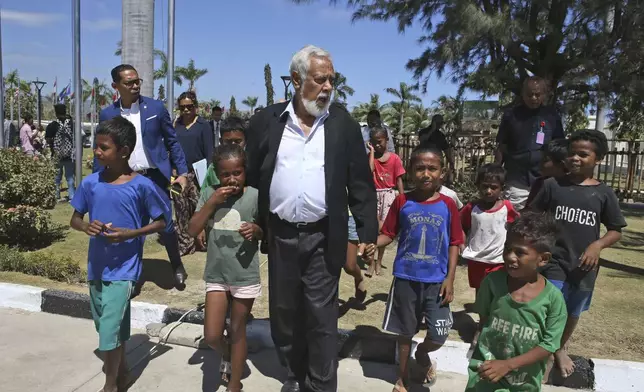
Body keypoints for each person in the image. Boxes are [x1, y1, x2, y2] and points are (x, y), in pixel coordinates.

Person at [245, 45, 378, 392]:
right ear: (296, 80)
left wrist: (367, 231)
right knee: (285, 314)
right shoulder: (266, 122)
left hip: (323, 236)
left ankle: (320, 384)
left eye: (331, 80)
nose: (328, 87)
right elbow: (250, 175)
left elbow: (360, 181)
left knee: (321, 317)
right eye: (320, 80)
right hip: (280, 235)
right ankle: (293, 374)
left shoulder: (343, 125)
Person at [70, 117, 170, 392]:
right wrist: (87, 225)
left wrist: (131, 233)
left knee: (109, 331)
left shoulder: (141, 186)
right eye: (96, 146)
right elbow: (75, 219)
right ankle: (122, 369)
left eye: (103, 147)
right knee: (110, 325)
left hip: (125, 269)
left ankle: (111, 384)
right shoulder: (90, 184)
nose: (97, 152)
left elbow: (162, 221)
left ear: (124, 151)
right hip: (97, 268)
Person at [530, 130, 626, 379]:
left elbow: (616, 231)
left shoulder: (604, 193)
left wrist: (598, 245)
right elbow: (532, 215)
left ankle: (560, 347)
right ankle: (542, 351)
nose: (575, 158)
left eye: (583, 154)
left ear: (599, 159)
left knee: (573, 311)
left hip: (584, 266)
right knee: (549, 307)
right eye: (572, 153)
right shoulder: (552, 186)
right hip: (553, 261)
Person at [377, 146, 463, 392]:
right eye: (420, 168)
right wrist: (373, 244)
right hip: (406, 278)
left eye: (432, 168)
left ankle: (424, 355)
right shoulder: (402, 201)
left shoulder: (447, 205)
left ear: (442, 173)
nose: (426, 174)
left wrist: (450, 278)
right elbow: (388, 234)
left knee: (439, 333)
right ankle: (402, 379)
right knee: (405, 333)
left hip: (437, 282)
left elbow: (455, 243)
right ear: (411, 172)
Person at [98, 64, 189, 289]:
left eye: (137, 81)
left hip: (156, 178)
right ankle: (134, 274)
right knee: (132, 228)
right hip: (126, 180)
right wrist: (98, 183)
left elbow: (172, 141)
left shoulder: (156, 108)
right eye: (129, 82)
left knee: (165, 224)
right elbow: (101, 149)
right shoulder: (108, 114)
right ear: (116, 86)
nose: (136, 85)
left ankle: (176, 264)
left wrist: (183, 173)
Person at [465, 210, 567, 391]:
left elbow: (549, 345)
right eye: (507, 249)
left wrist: (508, 365)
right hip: (485, 376)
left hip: (523, 384)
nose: (510, 256)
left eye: (520, 253)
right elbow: (484, 319)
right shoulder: (492, 282)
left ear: (543, 259)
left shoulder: (553, 299)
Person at [188, 144, 261, 392]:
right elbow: (191, 229)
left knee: (237, 328)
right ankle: (227, 352)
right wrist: (212, 202)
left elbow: (266, 231)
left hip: (244, 275)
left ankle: (234, 384)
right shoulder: (209, 192)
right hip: (217, 274)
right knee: (211, 335)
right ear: (217, 174)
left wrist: (256, 230)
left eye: (237, 173)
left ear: (245, 172)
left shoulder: (254, 195)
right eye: (226, 174)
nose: (232, 179)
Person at [495, 76, 565, 210]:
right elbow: (502, 145)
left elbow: (559, 146)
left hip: (544, 177)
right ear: (523, 94)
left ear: (544, 95)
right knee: (514, 218)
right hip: (517, 178)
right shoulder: (511, 115)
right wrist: (497, 169)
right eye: (530, 94)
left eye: (537, 95)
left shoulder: (552, 116)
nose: (533, 98)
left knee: (541, 219)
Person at [461, 164, 519, 292]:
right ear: (478, 186)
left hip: (498, 260)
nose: (488, 191)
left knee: (498, 290)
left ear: (501, 189)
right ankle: (482, 312)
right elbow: (461, 225)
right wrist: (462, 243)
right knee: (480, 291)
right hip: (476, 258)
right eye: (485, 186)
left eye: (493, 187)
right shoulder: (472, 208)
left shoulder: (507, 207)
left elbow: (517, 225)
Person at [173, 91, 214, 255]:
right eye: (182, 107)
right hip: (178, 175)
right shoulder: (175, 126)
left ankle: (201, 240)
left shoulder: (204, 126)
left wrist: (209, 175)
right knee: (180, 209)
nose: (186, 111)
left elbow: (210, 152)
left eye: (189, 107)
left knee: (198, 208)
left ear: (195, 107)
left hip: (198, 174)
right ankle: (185, 244)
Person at [367, 126, 405, 277]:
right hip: (373, 195)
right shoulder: (371, 158)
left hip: (388, 195)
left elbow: (399, 179)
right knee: (372, 228)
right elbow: (369, 172)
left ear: (387, 140)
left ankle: (378, 261)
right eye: (373, 143)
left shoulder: (394, 159)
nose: (377, 145)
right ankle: (370, 262)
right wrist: (371, 153)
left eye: (380, 142)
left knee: (384, 230)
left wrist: (402, 199)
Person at [203, 116, 247, 189]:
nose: (233, 145)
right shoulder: (213, 168)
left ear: (245, 141)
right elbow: (205, 194)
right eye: (228, 142)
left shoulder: (252, 166)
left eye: (238, 142)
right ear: (221, 141)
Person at [524, 139, 568, 209]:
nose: (540, 163)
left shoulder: (570, 188)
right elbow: (529, 210)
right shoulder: (539, 183)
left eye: (545, 160)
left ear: (561, 164)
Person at [48, 104, 76, 202]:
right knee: (70, 177)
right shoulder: (72, 124)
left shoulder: (52, 125)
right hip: (70, 155)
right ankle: (72, 195)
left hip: (56, 155)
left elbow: (48, 139)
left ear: (56, 112)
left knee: (56, 178)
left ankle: (56, 195)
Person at [418, 114, 454, 183]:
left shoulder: (440, 135)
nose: (440, 125)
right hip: (424, 159)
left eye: (441, 123)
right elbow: (422, 140)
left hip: (436, 160)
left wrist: (451, 161)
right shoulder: (424, 131)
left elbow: (446, 149)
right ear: (434, 122)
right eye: (439, 123)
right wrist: (432, 130)